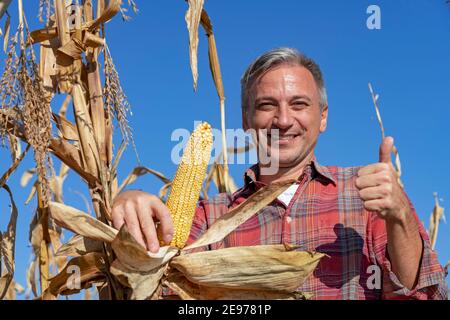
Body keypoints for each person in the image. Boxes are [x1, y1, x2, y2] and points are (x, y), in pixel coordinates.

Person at [111, 47, 447, 299]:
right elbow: (163, 286)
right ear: (246, 120)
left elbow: (421, 294)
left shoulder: (368, 195)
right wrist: (130, 210)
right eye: (267, 105)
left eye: (299, 104)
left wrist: (400, 215)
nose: (283, 120)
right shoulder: (208, 216)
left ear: (323, 117)